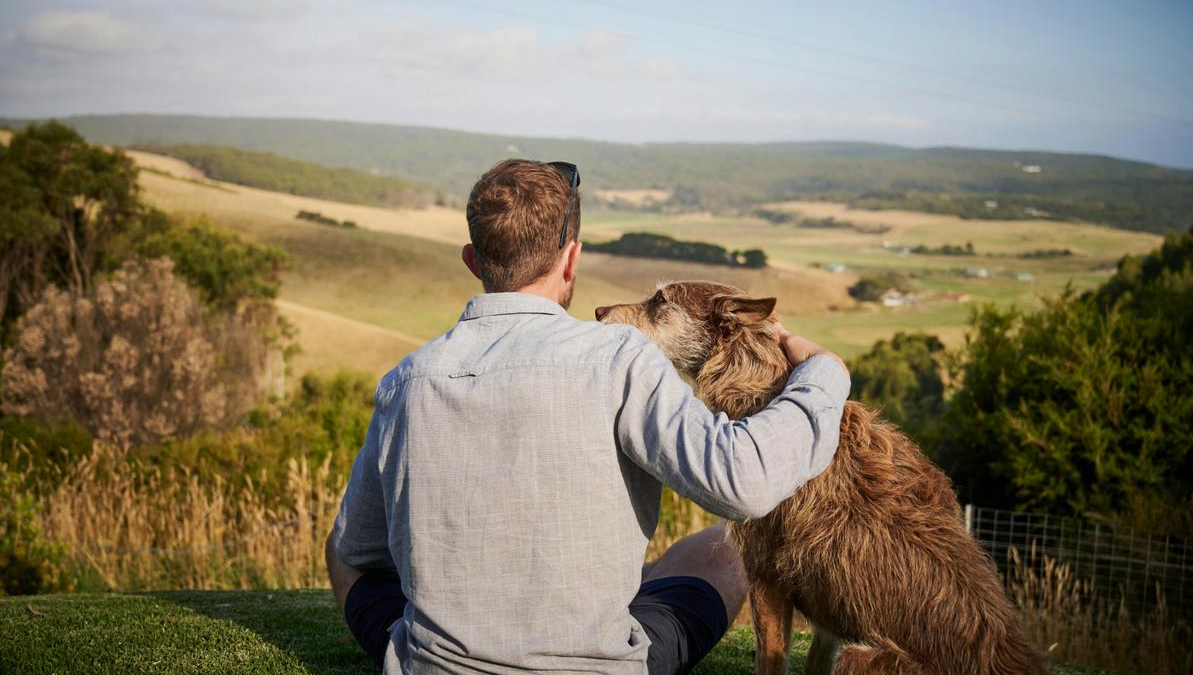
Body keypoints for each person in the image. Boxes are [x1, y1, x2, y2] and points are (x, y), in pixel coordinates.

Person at [325, 159, 851, 675]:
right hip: (602, 666)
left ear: (473, 260)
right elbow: (744, 483)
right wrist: (825, 375)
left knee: (344, 552)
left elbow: (358, 549)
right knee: (721, 549)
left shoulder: (406, 380)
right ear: (570, 260)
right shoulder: (617, 357)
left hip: (432, 666)